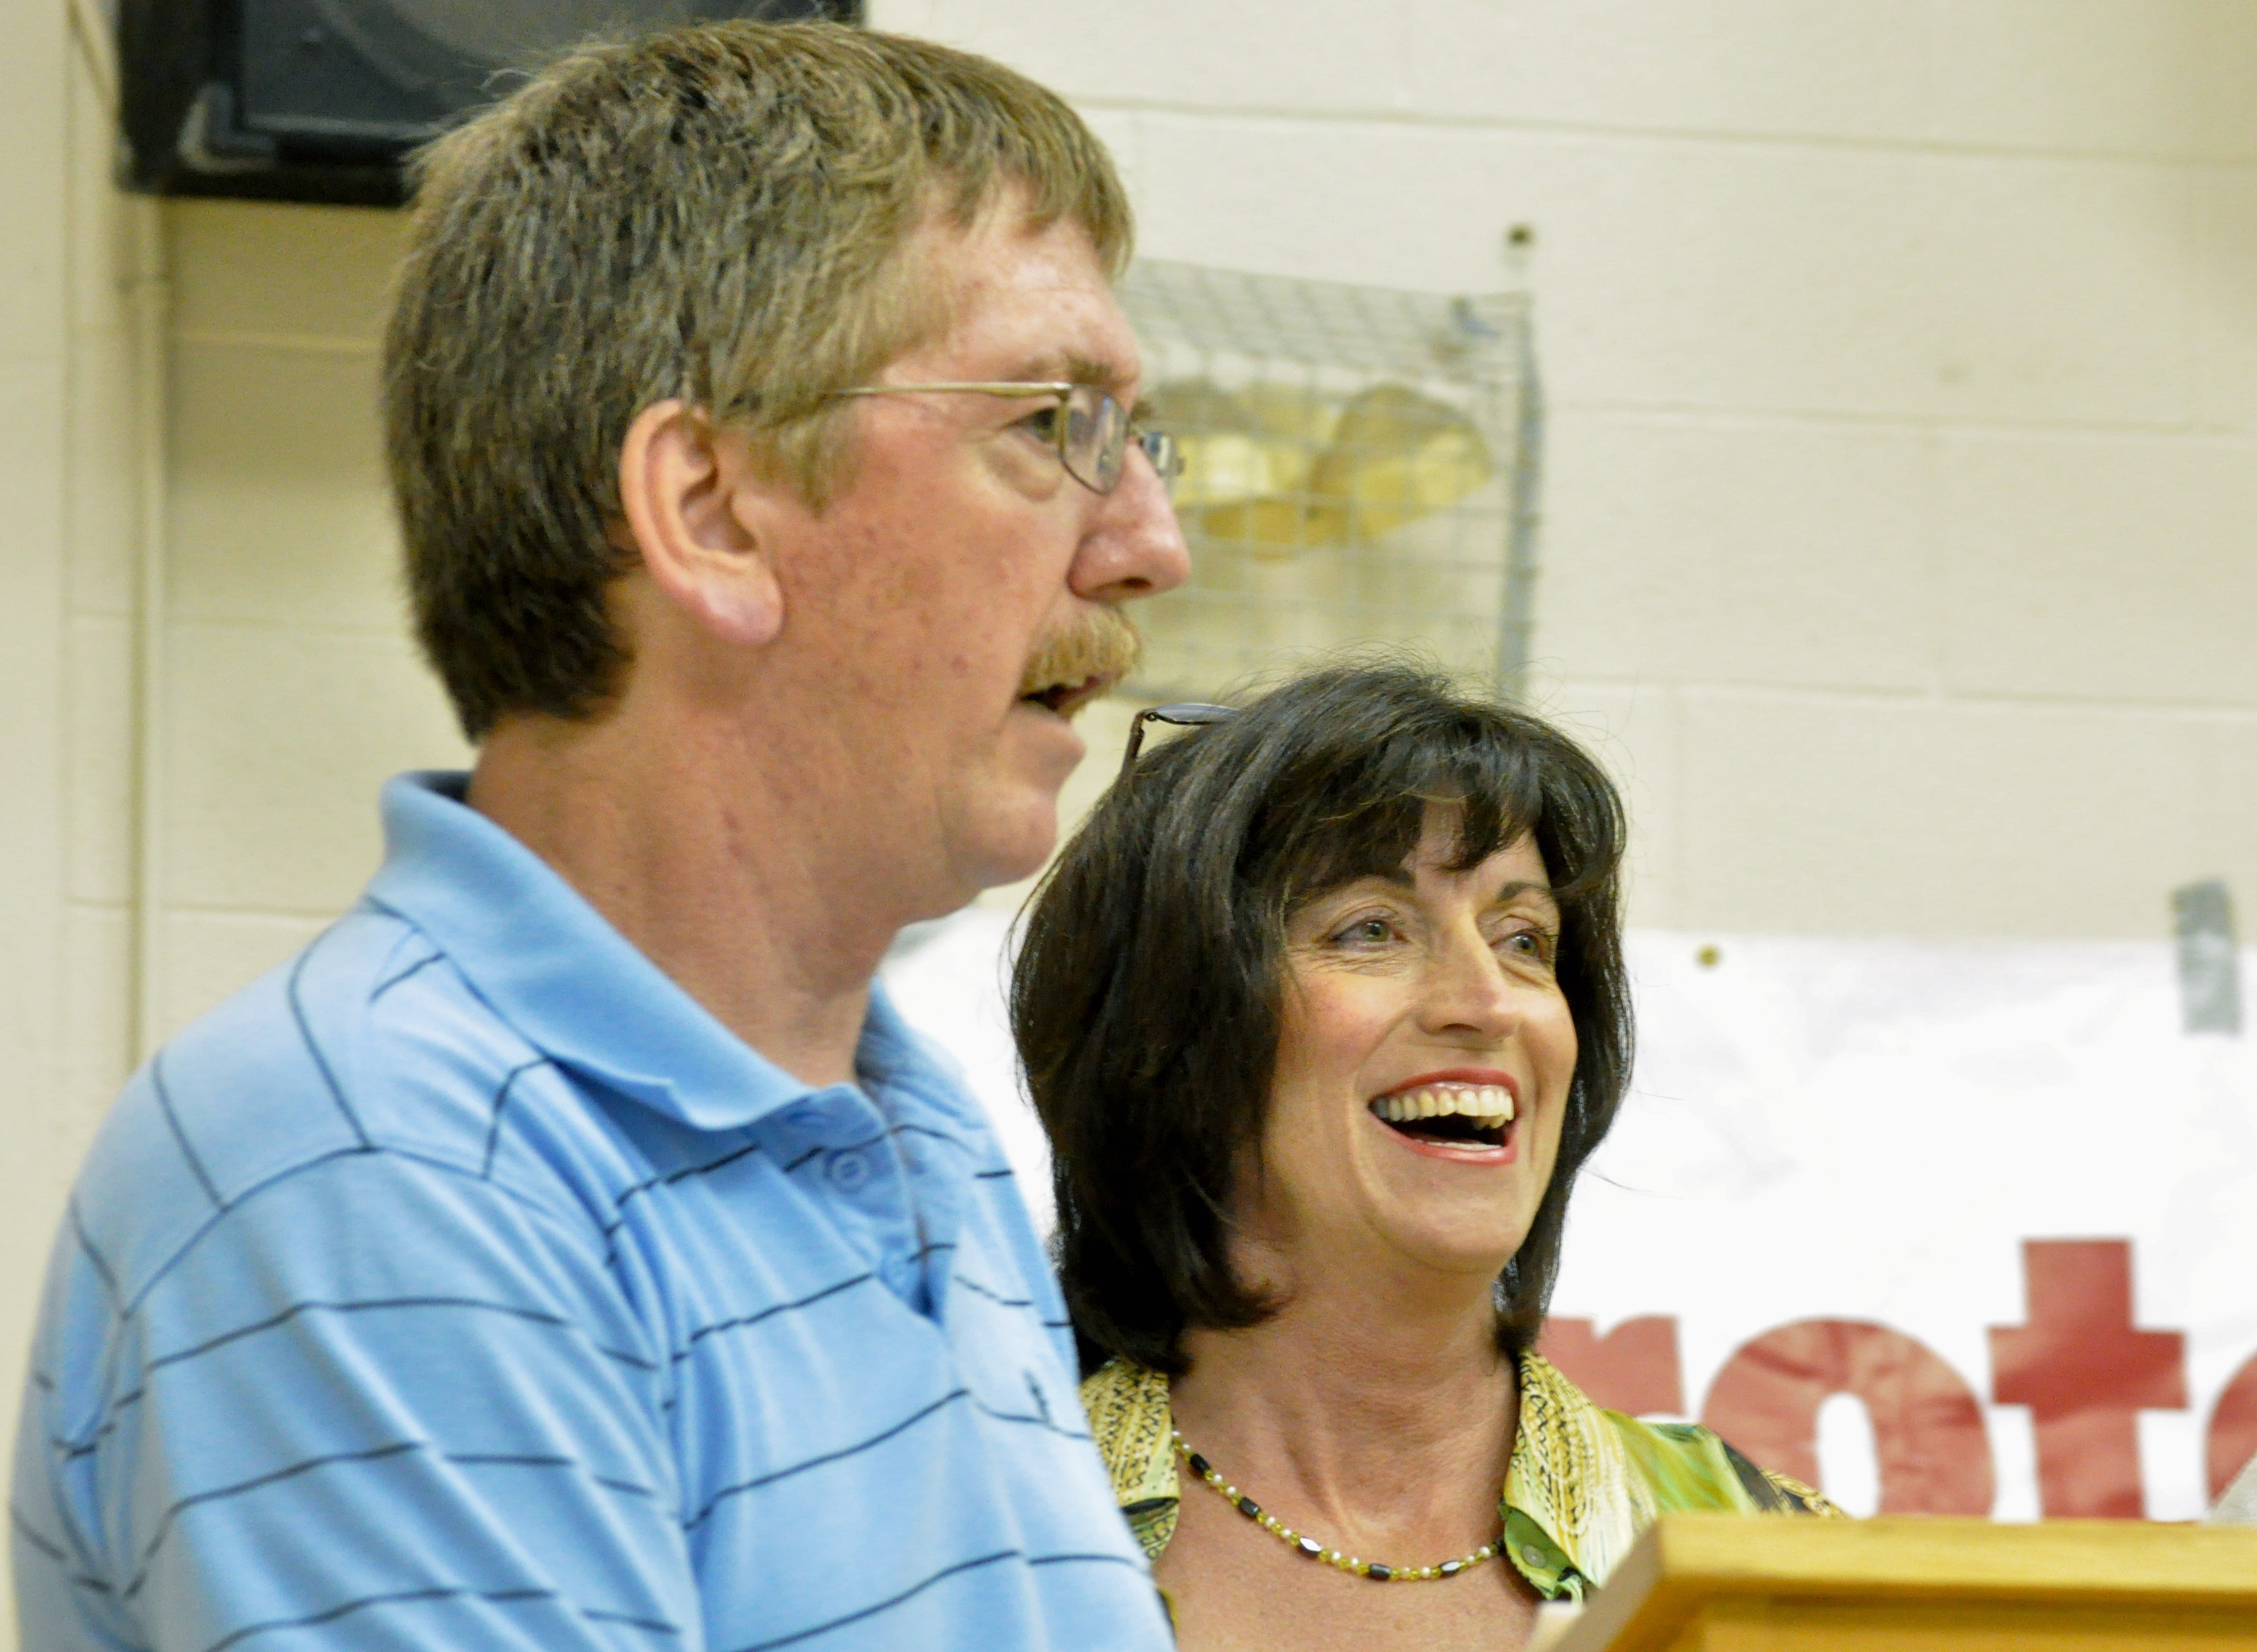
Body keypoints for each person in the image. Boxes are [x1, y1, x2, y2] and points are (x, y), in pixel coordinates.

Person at [13, 22, 1189, 1652]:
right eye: (1053, 423)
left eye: (1136, 439)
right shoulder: (374, 1162)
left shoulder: (923, 1137)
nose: (1148, 543)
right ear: (708, 511)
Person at [1011, 664, 1835, 1651]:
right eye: (1372, 930)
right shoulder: (977, 1523)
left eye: (1524, 939)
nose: (1487, 1002)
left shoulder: (1764, 1560)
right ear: (1170, 1030)